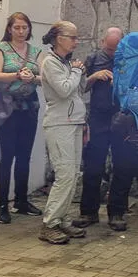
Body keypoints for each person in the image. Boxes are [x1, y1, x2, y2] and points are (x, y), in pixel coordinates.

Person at [74, 28, 138, 232]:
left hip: (124, 117)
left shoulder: (131, 60)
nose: (112, 53)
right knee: (93, 166)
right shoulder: (93, 58)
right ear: (102, 42)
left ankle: (117, 212)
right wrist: (94, 76)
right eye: (109, 49)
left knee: (124, 166)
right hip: (98, 118)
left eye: (116, 49)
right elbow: (79, 87)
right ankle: (88, 211)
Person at [0, 12, 43, 224]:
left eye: (24, 28)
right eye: (16, 27)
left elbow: (44, 77)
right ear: (9, 29)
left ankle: (21, 200)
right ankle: (1, 204)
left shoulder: (36, 51)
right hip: (7, 108)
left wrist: (33, 77)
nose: (20, 31)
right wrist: (18, 75)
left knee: (24, 155)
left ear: (29, 29)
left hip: (29, 107)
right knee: (6, 156)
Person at [39, 21, 88, 244]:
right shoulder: (50, 62)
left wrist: (79, 72)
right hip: (60, 124)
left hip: (74, 122)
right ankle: (50, 223)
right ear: (59, 38)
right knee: (64, 175)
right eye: (73, 37)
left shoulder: (64, 62)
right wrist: (77, 70)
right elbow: (64, 90)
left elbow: (79, 89)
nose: (76, 42)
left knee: (72, 175)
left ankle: (62, 219)